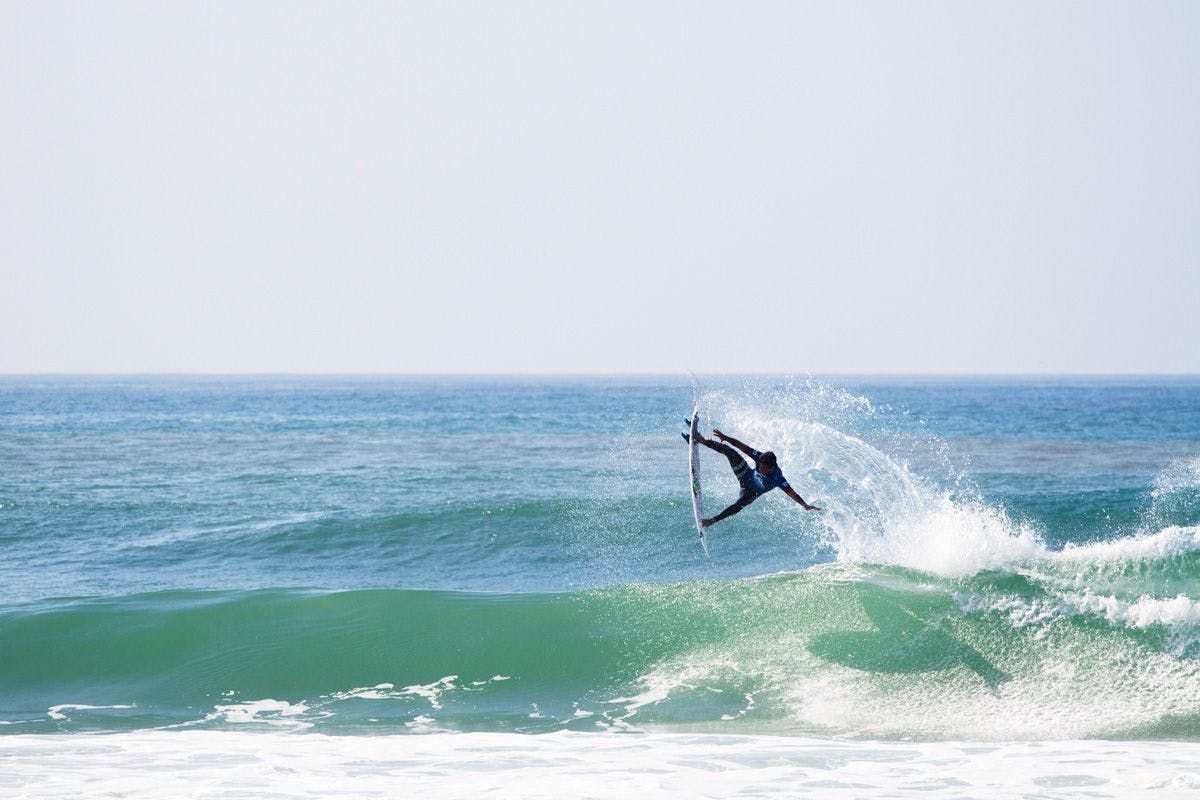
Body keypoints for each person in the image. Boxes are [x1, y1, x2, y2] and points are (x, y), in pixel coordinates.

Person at [685, 426, 820, 527]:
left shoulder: (778, 478)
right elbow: (741, 446)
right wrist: (725, 437)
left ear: (772, 467)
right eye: (760, 466)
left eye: (763, 468)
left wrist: (805, 505)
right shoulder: (760, 456)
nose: (760, 469)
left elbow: (792, 493)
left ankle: (711, 521)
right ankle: (701, 440)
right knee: (730, 451)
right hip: (746, 475)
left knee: (738, 506)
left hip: (751, 492)